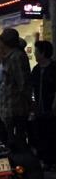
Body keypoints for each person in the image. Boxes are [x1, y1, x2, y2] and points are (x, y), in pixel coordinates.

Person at [0, 28, 32, 151]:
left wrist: (29, 105)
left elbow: (23, 83)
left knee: (16, 142)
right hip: (9, 108)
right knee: (10, 140)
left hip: (16, 108)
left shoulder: (16, 57)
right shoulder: (8, 57)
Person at [31, 40, 56, 170]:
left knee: (51, 133)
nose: (35, 53)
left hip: (51, 108)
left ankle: (52, 160)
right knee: (40, 133)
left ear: (43, 53)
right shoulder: (35, 70)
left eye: (36, 51)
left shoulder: (54, 68)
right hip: (38, 109)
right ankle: (45, 160)